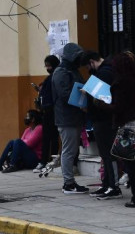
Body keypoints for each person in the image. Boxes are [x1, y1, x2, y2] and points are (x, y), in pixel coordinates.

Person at [110, 53, 135, 208]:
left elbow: (118, 107)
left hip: (129, 126)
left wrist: (100, 103)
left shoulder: (121, 83)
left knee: (130, 165)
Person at [83, 51, 123, 200]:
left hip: (104, 119)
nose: (88, 68)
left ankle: (113, 186)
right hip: (102, 118)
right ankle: (107, 184)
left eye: (88, 65)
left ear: (92, 61)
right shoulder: (106, 71)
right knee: (105, 154)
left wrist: (87, 94)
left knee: (108, 154)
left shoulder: (104, 73)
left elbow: (103, 97)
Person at [51, 42, 88, 194]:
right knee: (68, 151)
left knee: (71, 150)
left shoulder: (71, 70)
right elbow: (65, 94)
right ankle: (68, 183)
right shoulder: (61, 72)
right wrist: (81, 101)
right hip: (67, 117)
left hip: (74, 116)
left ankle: (70, 182)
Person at [34, 55, 60, 173]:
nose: (47, 68)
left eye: (49, 66)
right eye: (46, 66)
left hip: (53, 111)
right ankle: (44, 161)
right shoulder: (50, 77)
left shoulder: (56, 76)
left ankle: (50, 161)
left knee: (53, 137)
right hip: (46, 111)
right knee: (46, 138)